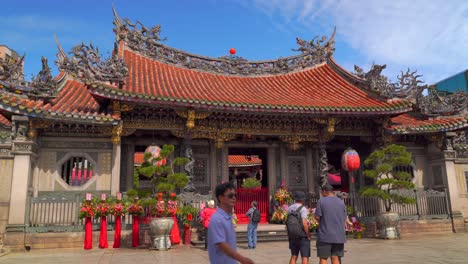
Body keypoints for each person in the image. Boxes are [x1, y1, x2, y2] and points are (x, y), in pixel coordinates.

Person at [208, 182, 255, 264]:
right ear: (221, 198)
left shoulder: (228, 217)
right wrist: (242, 259)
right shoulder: (217, 219)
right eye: (230, 196)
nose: (234, 198)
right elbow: (221, 244)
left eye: (235, 195)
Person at [314, 184, 347, 264]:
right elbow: (344, 218)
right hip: (339, 235)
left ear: (324, 191)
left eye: (322, 192)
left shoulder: (321, 201)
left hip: (325, 234)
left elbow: (317, 217)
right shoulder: (341, 202)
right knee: (335, 257)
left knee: (323, 258)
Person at [287, 191, 311, 264]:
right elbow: (304, 223)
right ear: (303, 200)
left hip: (292, 235)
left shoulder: (290, 208)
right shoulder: (303, 209)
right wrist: (308, 234)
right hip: (302, 235)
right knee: (305, 256)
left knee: (294, 256)